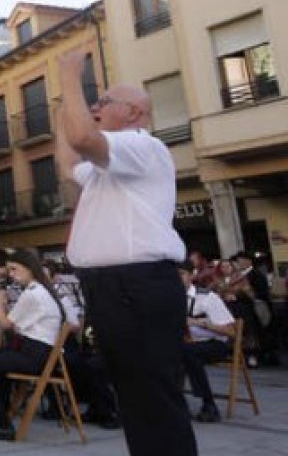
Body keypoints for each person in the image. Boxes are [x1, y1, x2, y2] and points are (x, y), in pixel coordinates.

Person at [56, 50, 195, 455]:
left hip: (137, 286)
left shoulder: (140, 146)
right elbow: (68, 163)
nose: (96, 108)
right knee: (135, 399)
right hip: (114, 289)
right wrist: (68, 101)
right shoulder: (109, 168)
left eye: (103, 102)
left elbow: (82, 139)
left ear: (133, 112)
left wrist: (69, 77)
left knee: (153, 400)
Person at [0, 249, 65, 441]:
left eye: (14, 269)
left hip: (34, 355)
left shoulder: (33, 293)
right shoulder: (40, 290)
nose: (11, 274)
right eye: (9, 269)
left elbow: (5, 324)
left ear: (29, 268)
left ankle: (2, 425)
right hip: (38, 352)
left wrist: (0, 302)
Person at [178, 261, 236, 423]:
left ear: (191, 275)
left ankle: (208, 404)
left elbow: (231, 331)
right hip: (186, 347)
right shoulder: (170, 299)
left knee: (186, 352)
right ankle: (181, 403)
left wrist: (201, 323)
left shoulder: (207, 297)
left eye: (180, 274)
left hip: (214, 344)